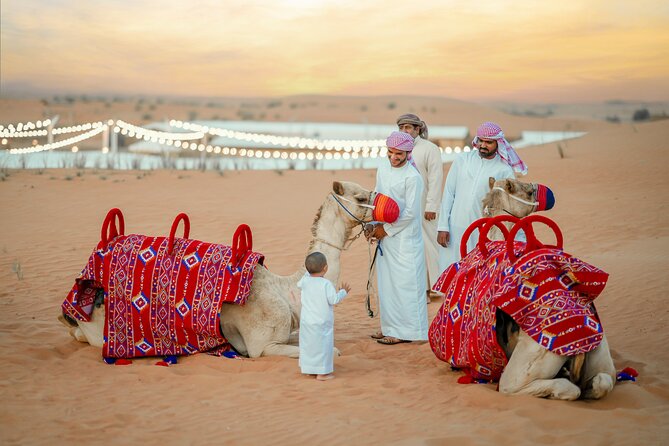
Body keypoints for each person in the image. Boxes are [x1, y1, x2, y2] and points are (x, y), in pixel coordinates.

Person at [365, 131, 428, 345]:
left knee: (406, 285)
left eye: (399, 153)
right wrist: (373, 224)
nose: (394, 157)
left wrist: (387, 230)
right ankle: (389, 328)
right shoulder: (382, 167)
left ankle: (409, 332)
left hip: (405, 238)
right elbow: (377, 195)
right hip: (386, 234)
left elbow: (410, 213)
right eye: (390, 152)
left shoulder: (413, 177)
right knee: (387, 283)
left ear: (408, 152)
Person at [437, 121, 527, 270]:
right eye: (481, 140)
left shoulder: (504, 170)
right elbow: (448, 193)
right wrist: (443, 226)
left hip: (482, 232)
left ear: (498, 143)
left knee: (476, 272)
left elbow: (508, 208)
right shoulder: (462, 160)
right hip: (454, 228)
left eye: (489, 142)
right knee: (450, 271)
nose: (483, 145)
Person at [396, 113, 444, 302]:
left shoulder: (429, 149)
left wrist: (431, 205)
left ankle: (437, 287)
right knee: (409, 247)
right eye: (401, 128)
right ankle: (419, 290)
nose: (404, 131)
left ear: (418, 129)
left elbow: (435, 178)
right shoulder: (397, 149)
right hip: (403, 206)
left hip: (425, 206)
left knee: (429, 247)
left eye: (408, 127)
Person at [298, 251, 350, 381]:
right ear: (326, 268)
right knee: (323, 347)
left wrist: (307, 272)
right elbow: (333, 300)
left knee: (308, 346)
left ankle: (310, 369)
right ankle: (322, 373)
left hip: (307, 322)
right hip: (321, 323)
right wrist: (343, 292)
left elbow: (299, 283)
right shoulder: (326, 284)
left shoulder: (304, 281)